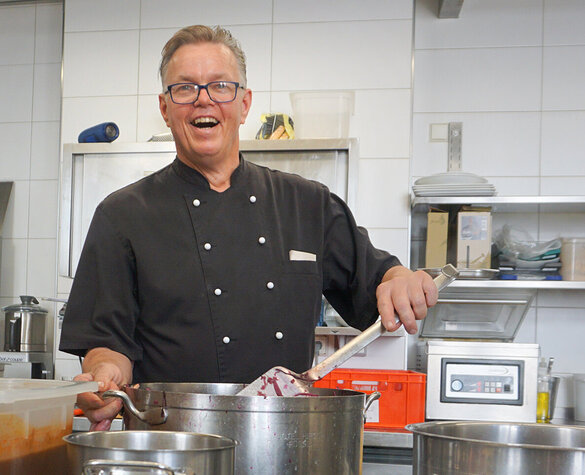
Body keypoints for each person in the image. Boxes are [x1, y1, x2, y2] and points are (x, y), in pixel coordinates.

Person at [59, 25, 438, 430]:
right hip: (168, 444)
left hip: (283, 443)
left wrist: (399, 280)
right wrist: (105, 376)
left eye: (220, 86)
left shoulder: (307, 203)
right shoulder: (122, 215)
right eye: (184, 88)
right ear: (165, 108)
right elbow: (108, 346)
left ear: (244, 104)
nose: (203, 100)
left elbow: (378, 280)